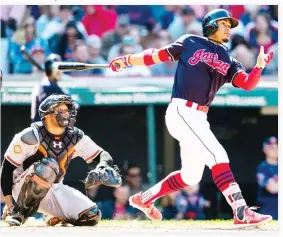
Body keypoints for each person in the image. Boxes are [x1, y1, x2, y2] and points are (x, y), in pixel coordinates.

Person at [108, 9, 274, 227]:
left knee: (191, 176)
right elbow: (156, 55)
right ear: (211, 26)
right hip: (182, 111)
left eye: (229, 25)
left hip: (199, 117)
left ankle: (144, 199)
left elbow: (248, 84)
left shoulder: (228, 58)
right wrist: (127, 60)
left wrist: (259, 66)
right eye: (224, 24)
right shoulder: (191, 41)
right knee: (217, 155)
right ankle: (240, 211)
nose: (228, 28)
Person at [1, 94, 122, 226]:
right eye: (61, 110)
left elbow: (103, 154)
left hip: (54, 188)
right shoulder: (31, 135)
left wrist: (103, 166)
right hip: (22, 188)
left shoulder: (75, 137)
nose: (66, 114)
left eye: (67, 110)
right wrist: (9, 204)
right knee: (49, 166)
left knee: (91, 215)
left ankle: (54, 216)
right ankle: (19, 213)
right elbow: (7, 168)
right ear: (47, 115)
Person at [31, 53, 65, 123]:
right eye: (56, 68)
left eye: (60, 68)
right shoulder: (47, 86)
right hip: (44, 130)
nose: (59, 71)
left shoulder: (42, 84)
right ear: (49, 69)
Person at [256, 137, 278, 220]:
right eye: (271, 147)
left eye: (277, 147)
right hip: (268, 208)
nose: (275, 150)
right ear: (265, 149)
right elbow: (272, 188)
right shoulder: (263, 167)